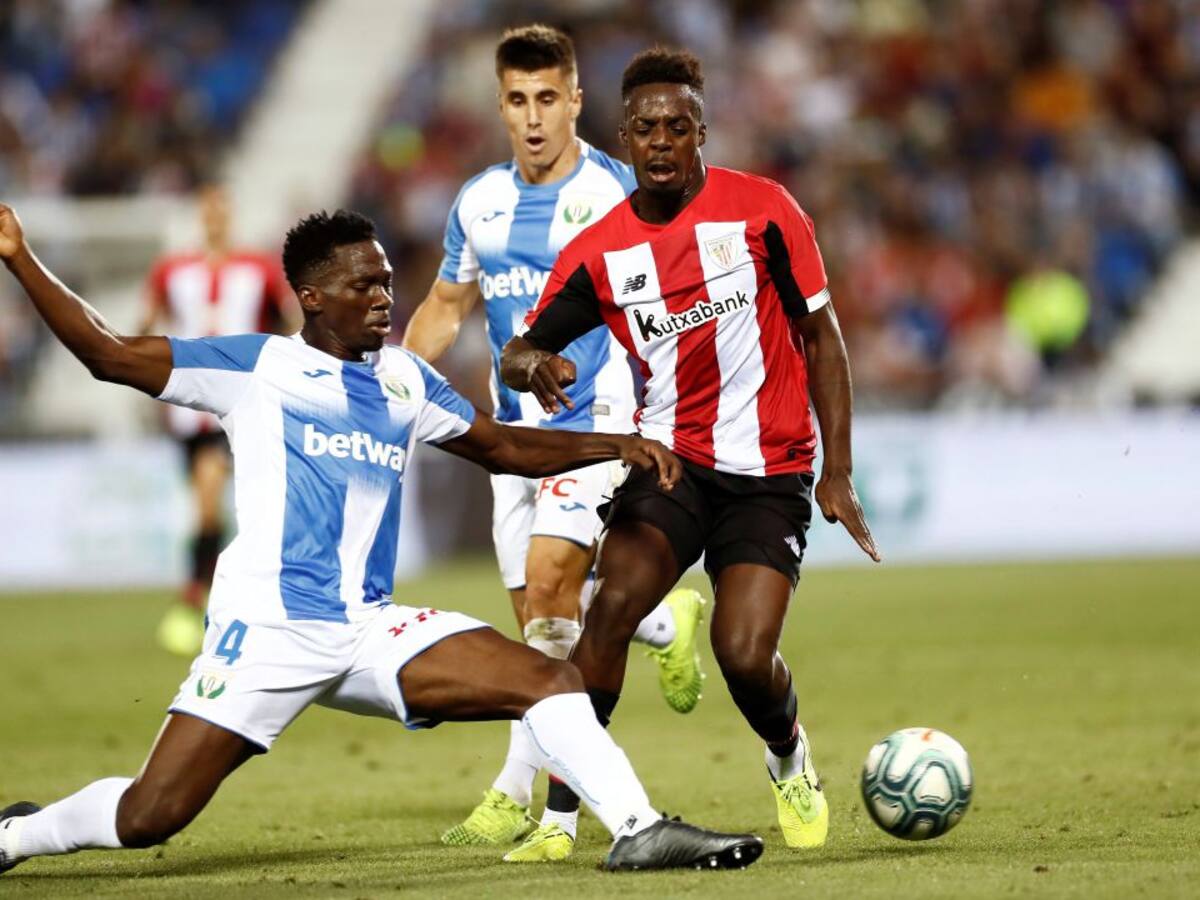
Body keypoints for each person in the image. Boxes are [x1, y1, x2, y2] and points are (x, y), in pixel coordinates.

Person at [0, 204, 763, 875]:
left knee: (550, 680)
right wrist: (19, 257)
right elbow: (106, 351)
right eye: (363, 285)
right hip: (269, 630)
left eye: (387, 282)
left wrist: (616, 444)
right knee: (150, 815)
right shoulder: (258, 367)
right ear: (311, 297)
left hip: (368, 628)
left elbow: (503, 446)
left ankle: (638, 829)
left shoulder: (404, 378)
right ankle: (18, 834)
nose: (382, 298)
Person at [501, 48, 881, 852]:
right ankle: (562, 817)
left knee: (742, 656)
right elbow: (519, 349)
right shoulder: (600, 252)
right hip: (672, 463)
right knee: (608, 612)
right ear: (625, 137)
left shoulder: (764, 211)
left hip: (770, 473)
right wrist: (529, 363)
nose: (662, 142)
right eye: (646, 129)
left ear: (702, 131)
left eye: (678, 126)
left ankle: (788, 755)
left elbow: (821, 335)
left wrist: (837, 470)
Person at [402, 25, 705, 860]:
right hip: (513, 438)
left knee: (546, 592)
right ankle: (659, 622)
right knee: (545, 628)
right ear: (500, 106)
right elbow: (447, 306)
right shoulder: (478, 202)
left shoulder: (616, 192)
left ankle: (516, 796)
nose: (533, 118)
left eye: (547, 99)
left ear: (575, 101)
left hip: (596, 424)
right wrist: (385, 381)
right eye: (517, 101)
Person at [140, 183, 295, 656]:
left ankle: (196, 598)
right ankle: (209, 597)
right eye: (208, 210)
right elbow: (147, 322)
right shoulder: (172, 269)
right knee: (209, 508)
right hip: (191, 412)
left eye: (221, 210)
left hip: (246, 402)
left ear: (230, 215)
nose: (215, 217)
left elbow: (289, 322)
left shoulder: (258, 268)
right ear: (200, 216)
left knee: (219, 501)